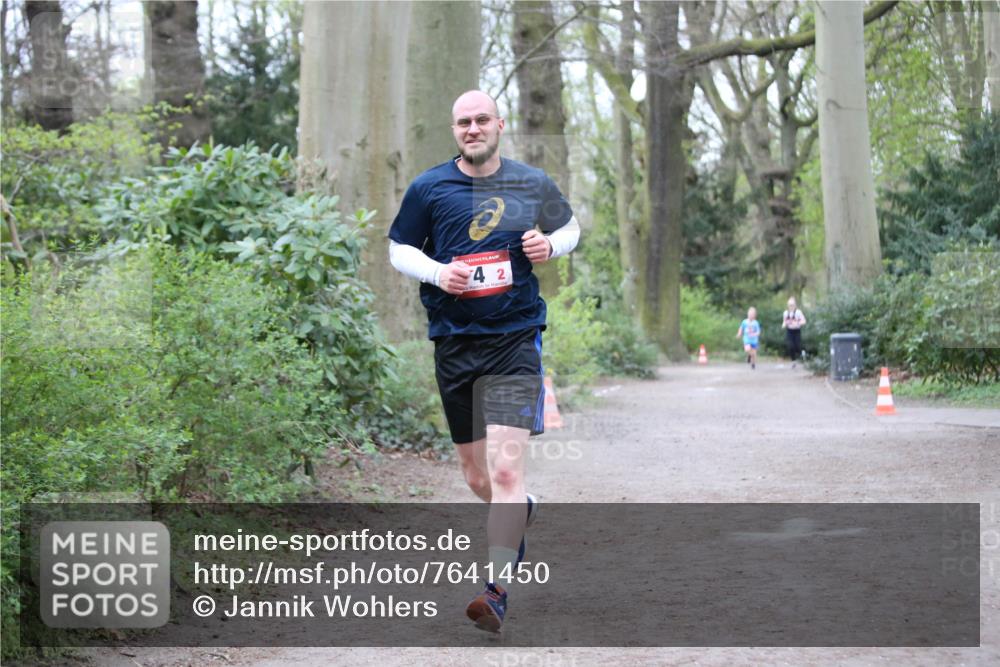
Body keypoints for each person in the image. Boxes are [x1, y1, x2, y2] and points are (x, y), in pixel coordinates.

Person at [387, 90, 580, 633]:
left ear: (500, 123)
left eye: (481, 120)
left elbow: (570, 228)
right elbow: (399, 248)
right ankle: (522, 507)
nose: (473, 129)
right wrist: (435, 272)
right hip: (454, 341)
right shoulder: (429, 187)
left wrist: (551, 245)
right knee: (476, 478)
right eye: (463, 122)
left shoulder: (530, 182)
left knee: (503, 469)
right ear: (455, 130)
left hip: (514, 338)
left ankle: (495, 593)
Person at [781, 297, 807, 368]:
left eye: (792, 305)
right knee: (790, 346)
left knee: (797, 346)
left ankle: (802, 352)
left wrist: (798, 323)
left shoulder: (798, 312)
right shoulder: (785, 313)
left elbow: (804, 321)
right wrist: (783, 324)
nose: (791, 306)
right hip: (789, 331)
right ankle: (793, 361)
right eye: (789, 305)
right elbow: (784, 321)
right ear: (787, 305)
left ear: (795, 305)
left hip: (797, 331)